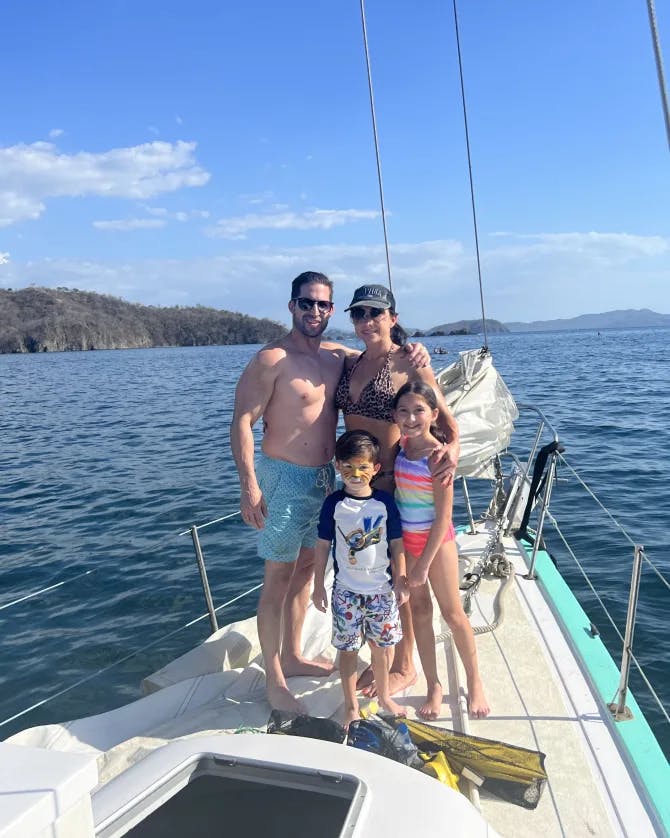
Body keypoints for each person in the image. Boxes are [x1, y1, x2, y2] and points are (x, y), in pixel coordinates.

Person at [230, 271, 428, 713]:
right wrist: (249, 487)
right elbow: (241, 421)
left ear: (332, 311)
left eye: (323, 305)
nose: (314, 312)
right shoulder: (271, 360)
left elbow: (384, 355)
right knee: (277, 579)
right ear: (291, 306)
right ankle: (275, 679)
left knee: (304, 573)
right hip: (283, 479)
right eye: (306, 303)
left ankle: (295, 655)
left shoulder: (337, 357)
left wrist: (415, 348)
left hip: (325, 479)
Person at [334, 283, 460, 698]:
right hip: (357, 487)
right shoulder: (349, 363)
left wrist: (451, 454)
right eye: (358, 314)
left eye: (375, 313)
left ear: (393, 317)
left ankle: (404, 666)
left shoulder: (409, 362)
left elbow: (446, 422)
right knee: (367, 576)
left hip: (393, 489)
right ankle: (383, 657)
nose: (367, 321)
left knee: (396, 581)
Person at [393, 380, 490, 719]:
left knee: (452, 614)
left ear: (434, 414)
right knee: (420, 612)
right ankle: (434, 684)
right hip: (407, 541)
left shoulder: (438, 457)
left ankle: (474, 680)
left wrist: (421, 567)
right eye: (402, 411)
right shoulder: (403, 447)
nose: (410, 418)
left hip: (437, 543)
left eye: (418, 410)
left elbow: (444, 517)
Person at [312, 430, 409, 727]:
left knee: (381, 649)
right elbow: (323, 545)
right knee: (348, 650)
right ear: (338, 467)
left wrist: (402, 577)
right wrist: (318, 584)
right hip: (346, 592)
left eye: (363, 467)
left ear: (375, 469)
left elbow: (396, 543)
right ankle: (351, 706)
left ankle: (383, 696)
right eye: (349, 467)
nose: (356, 474)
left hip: (381, 591)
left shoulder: (384, 504)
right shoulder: (334, 505)